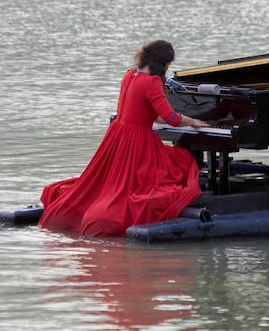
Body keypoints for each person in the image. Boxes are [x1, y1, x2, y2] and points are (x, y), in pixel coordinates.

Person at [38, 40, 210, 236]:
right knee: (183, 161)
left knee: (109, 181)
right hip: (138, 142)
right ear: (166, 64)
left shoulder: (129, 75)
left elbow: (152, 114)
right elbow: (171, 119)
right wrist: (194, 121)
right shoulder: (152, 82)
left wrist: (177, 120)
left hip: (117, 136)